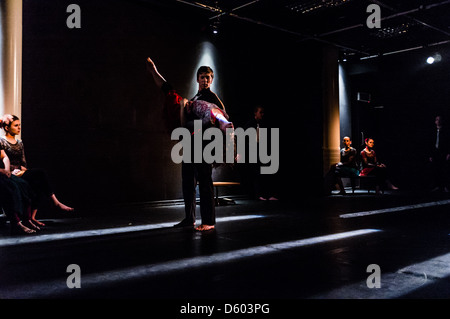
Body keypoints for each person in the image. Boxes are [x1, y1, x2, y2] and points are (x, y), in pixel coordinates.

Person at [146, 57, 232, 231]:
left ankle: (208, 221)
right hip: (191, 145)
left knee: (205, 182)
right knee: (188, 182)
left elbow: (222, 115)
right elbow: (168, 91)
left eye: (208, 77)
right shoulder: (195, 97)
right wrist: (154, 72)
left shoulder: (211, 97)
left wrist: (224, 130)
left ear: (212, 80)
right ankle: (189, 218)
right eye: (202, 77)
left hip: (204, 145)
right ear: (197, 79)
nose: (205, 80)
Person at [1, 114, 74, 227]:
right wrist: (11, 171)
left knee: (39, 180)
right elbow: (3, 160)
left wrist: (22, 170)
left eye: (19, 125)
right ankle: (55, 202)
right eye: (16, 125)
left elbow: (23, 163)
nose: (19, 128)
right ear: (7, 128)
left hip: (20, 172)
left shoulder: (20, 143)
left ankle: (33, 217)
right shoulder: (2, 142)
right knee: (39, 174)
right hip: (10, 174)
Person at [0, 142, 37, 234]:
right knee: (9, 187)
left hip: (3, 172)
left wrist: (7, 170)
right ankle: (16, 223)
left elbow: (4, 156)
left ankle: (26, 219)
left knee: (23, 184)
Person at [242, 106, 278, 200]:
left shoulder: (265, 124)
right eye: (260, 112)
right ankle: (258, 195)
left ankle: (269, 194)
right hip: (253, 151)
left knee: (267, 173)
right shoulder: (250, 124)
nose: (262, 115)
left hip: (263, 150)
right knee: (256, 174)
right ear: (255, 113)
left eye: (263, 113)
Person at [427, 115, 450, 192]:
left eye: (439, 120)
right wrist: (430, 155)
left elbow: (448, 143)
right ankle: (437, 186)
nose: (438, 121)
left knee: (444, 170)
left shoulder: (446, 131)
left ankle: (446, 186)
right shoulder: (432, 131)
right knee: (436, 170)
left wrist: (448, 153)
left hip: (443, 152)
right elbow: (430, 143)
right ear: (435, 122)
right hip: (435, 153)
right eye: (437, 120)